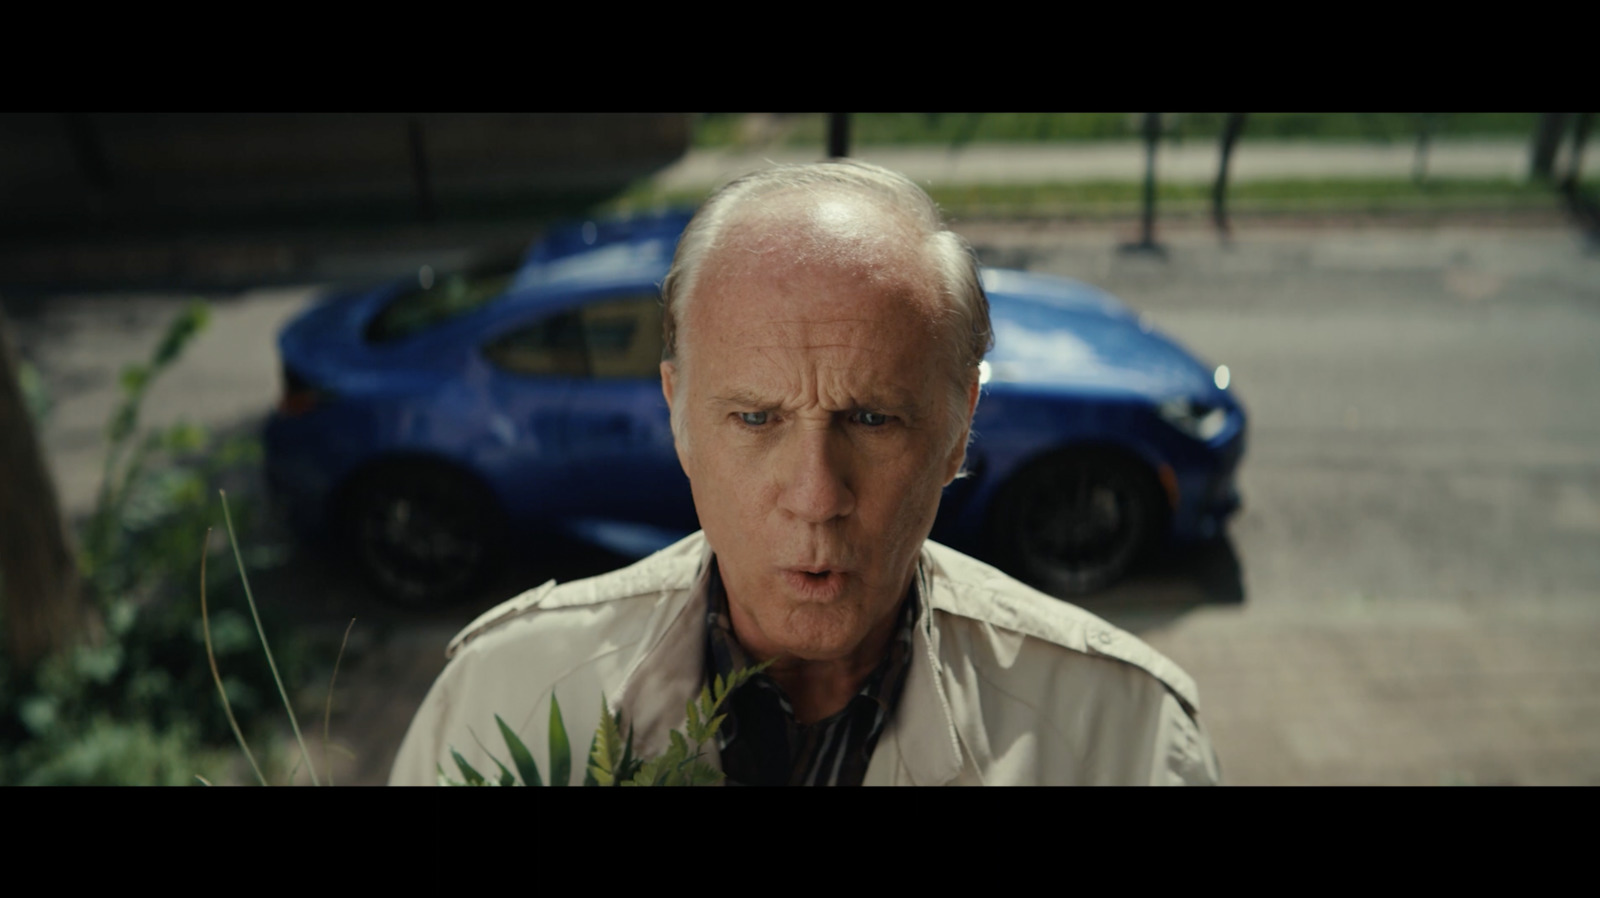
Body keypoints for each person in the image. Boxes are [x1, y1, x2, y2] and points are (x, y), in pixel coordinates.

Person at [389, 160, 1221, 786]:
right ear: (679, 416)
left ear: (958, 426)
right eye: (755, 419)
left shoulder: (1124, 737)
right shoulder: (504, 694)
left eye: (871, 419)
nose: (818, 498)